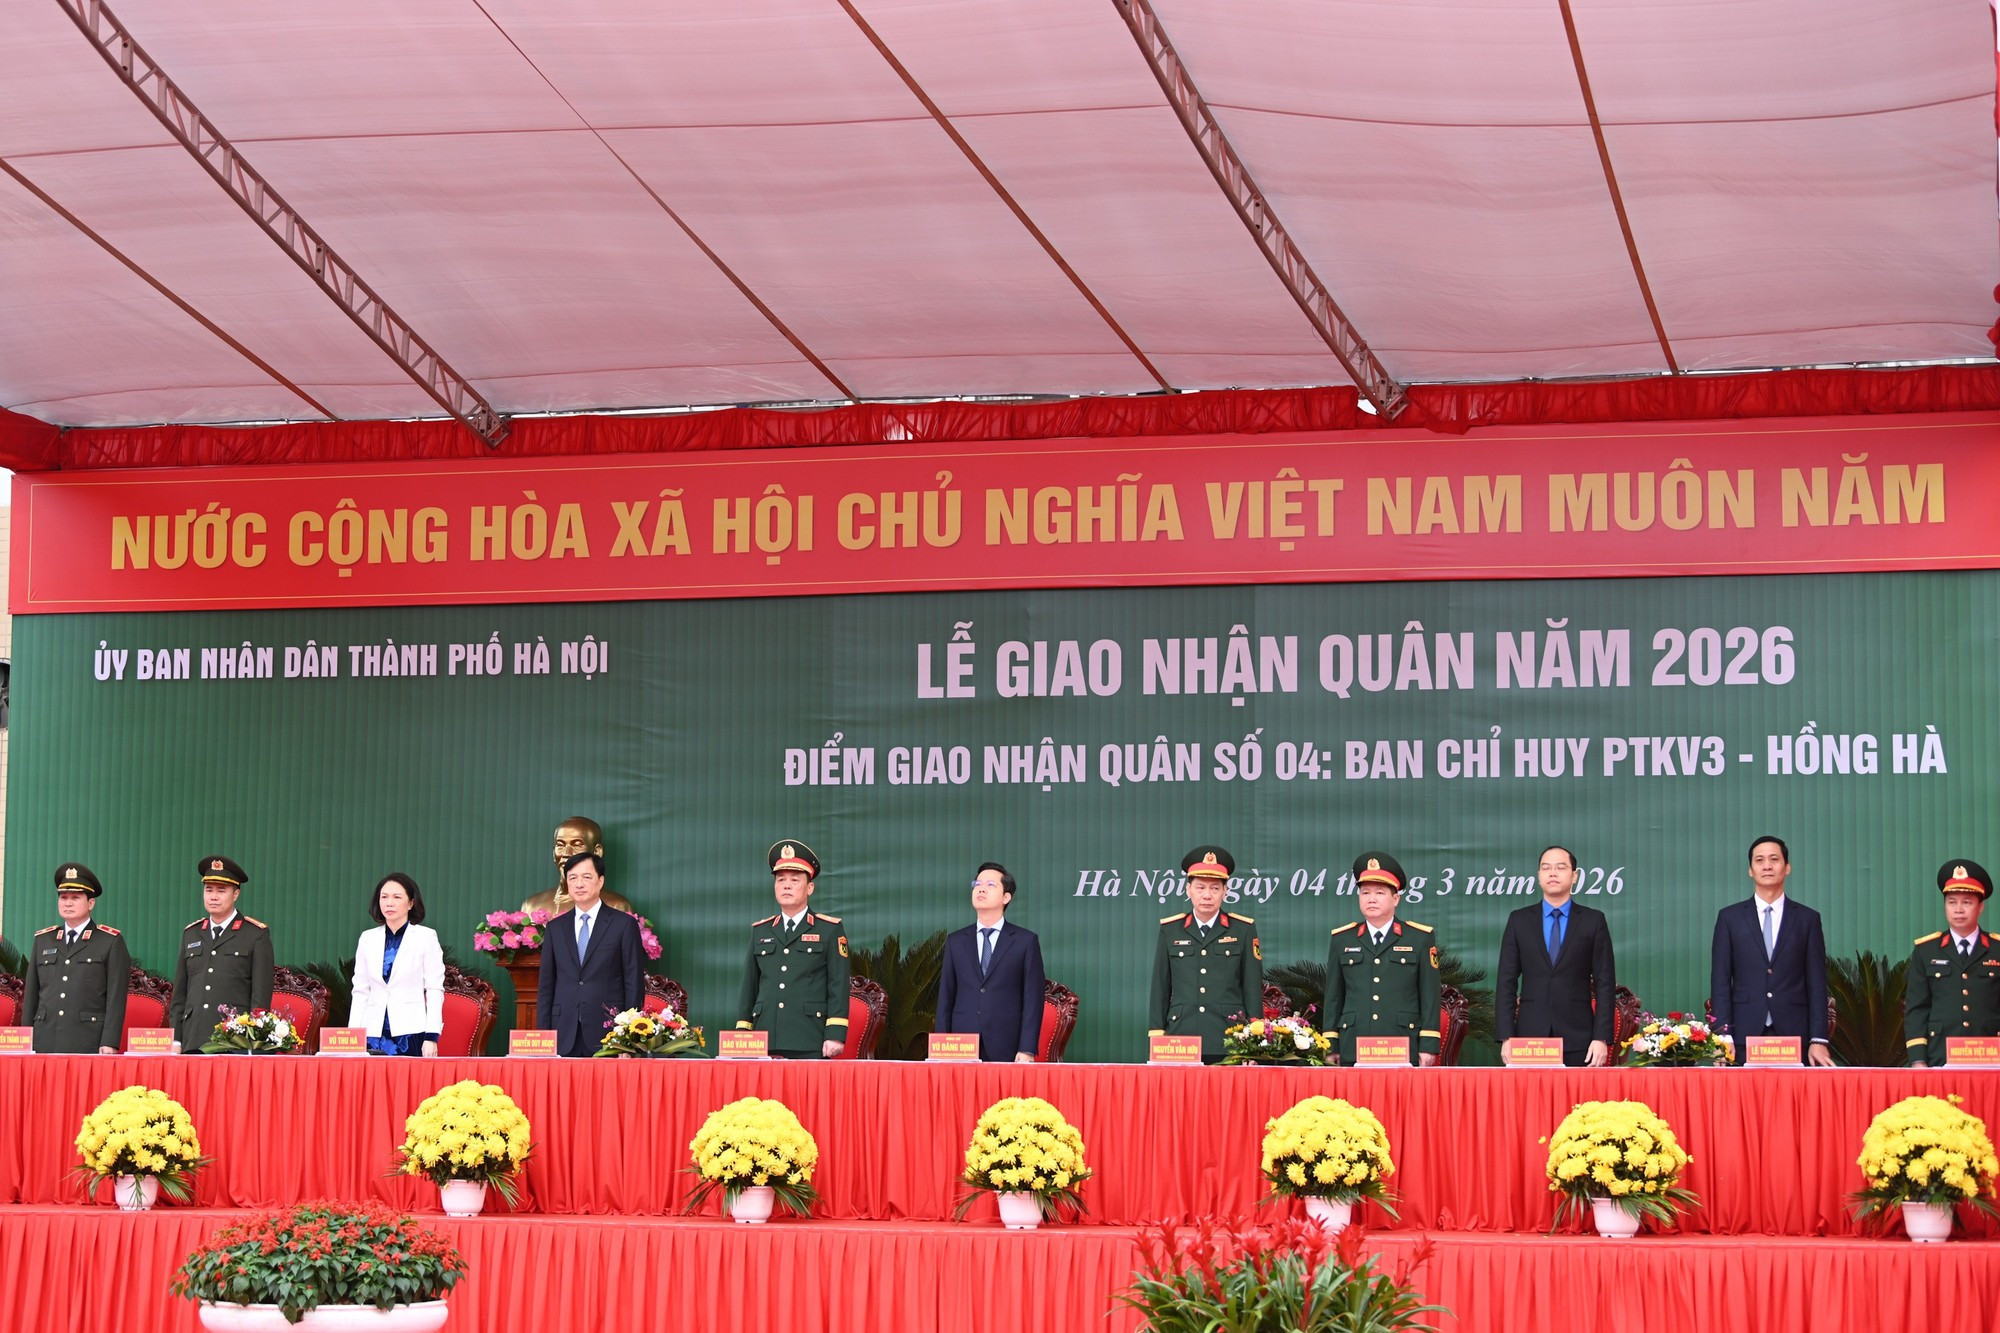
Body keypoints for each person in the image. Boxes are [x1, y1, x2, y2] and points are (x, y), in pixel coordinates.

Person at [1710, 835, 1834, 1066]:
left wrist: (1818, 1039)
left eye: (1774, 859)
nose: (1767, 865)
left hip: (1795, 1034)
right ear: (1751, 870)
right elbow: (1720, 981)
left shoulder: (1807, 919)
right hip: (1742, 1036)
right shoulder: (1730, 918)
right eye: (1759, 860)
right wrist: (1722, 1034)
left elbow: (1817, 983)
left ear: (1787, 868)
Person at [1495, 844, 1615, 1067]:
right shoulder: (1519, 920)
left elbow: (1605, 984)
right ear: (1539, 876)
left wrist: (1601, 1038)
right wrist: (1506, 1036)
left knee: (1578, 1100)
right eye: (1546, 868)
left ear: (1574, 876)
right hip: (1529, 1038)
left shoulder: (1593, 921)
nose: (1552, 873)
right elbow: (1506, 982)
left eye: (1560, 867)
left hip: (1579, 1037)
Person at [1321, 852, 1441, 1066]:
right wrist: (1331, 1044)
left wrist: (1428, 1045)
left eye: (1379, 892)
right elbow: (1333, 997)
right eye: (1365, 892)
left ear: (1396, 898)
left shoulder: (1419, 937)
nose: (1371, 899)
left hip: (1403, 1043)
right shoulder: (1342, 939)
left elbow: (1429, 995)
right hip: (1354, 1044)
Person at [736, 841, 850, 1058]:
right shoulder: (760, 931)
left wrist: (835, 1033)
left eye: (794, 880)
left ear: (810, 888)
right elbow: (749, 986)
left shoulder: (829, 929)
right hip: (764, 1038)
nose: (786, 885)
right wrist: (744, 1031)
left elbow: (838, 984)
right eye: (781, 880)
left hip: (809, 1037)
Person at [1149, 846, 1261, 1063]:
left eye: (1215, 889)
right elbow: (1160, 988)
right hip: (1180, 1039)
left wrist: (1253, 1043)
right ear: (1188, 889)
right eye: (1200, 888)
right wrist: (1157, 1034)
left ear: (1225, 891)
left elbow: (1252, 988)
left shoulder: (1243, 930)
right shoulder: (1170, 930)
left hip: (1229, 1037)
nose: (1207, 896)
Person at [536, 852, 645, 1056]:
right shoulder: (555, 928)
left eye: (587, 877)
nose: (579, 884)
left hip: (608, 1033)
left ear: (600, 881)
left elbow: (634, 983)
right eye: (573, 878)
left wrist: (629, 1039)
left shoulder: (623, 925)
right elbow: (546, 986)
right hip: (562, 1031)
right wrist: (544, 1037)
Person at [937, 861, 1045, 1062]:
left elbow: (1033, 999)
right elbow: (946, 996)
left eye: (990, 885)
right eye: (977, 884)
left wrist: (1027, 1048)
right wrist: (942, 1046)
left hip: (1007, 1044)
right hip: (960, 1046)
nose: (981, 889)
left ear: (1006, 897)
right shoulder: (956, 941)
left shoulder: (1025, 941)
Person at [169, 856, 275, 1053]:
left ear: (235, 894)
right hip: (194, 1038)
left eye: (221, 891)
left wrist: (252, 1041)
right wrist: (176, 1039)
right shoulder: (191, 933)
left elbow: (260, 996)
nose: (213, 897)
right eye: (209, 890)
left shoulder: (255, 934)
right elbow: (180, 995)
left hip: (235, 1042)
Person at [23, 863, 129, 1054]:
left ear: (91, 903)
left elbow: (116, 998)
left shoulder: (110, 941)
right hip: (44, 1040)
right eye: (63, 897)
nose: (68, 903)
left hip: (88, 1040)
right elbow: (31, 995)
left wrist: (110, 1041)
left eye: (75, 897)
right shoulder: (43, 940)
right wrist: (26, 1038)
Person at [1906, 860, 1998, 1067]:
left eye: (1967, 902)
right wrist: (1918, 1059)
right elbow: (1917, 1008)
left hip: (1992, 1054)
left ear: (1980, 907)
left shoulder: (1997, 949)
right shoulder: (1926, 950)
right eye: (1952, 902)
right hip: (1939, 1055)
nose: (1958, 909)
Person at [350, 873, 445, 1057]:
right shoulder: (367, 938)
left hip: (410, 1030)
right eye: (384, 897)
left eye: (397, 897)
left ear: (411, 903)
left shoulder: (425, 937)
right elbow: (360, 990)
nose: (389, 903)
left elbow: (434, 988)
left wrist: (432, 1036)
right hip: (372, 1031)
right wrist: (353, 1034)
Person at [521, 816, 635, 916]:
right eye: (560, 845)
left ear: (597, 852)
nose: (566, 854)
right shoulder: (532, 905)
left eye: (577, 845)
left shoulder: (616, 906)